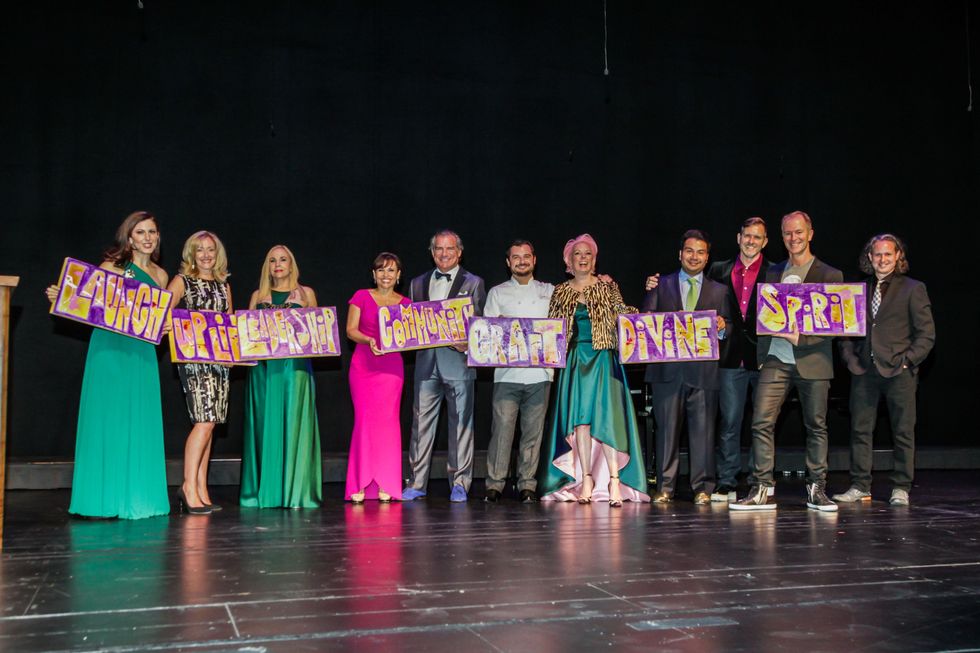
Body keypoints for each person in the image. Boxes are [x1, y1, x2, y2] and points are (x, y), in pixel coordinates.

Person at [45, 211, 170, 519]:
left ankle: (138, 498)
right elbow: (90, 304)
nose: (147, 238)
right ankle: (103, 499)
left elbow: (156, 319)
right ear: (130, 238)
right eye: (140, 232)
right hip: (111, 348)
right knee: (110, 417)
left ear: (157, 237)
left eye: (151, 232)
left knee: (138, 419)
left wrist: (164, 327)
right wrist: (64, 297)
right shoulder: (112, 267)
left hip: (141, 352)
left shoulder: (161, 276)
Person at [731, 211, 843, 512]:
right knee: (760, 422)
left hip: (814, 360)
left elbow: (835, 324)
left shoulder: (830, 274)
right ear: (781, 237)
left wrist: (800, 338)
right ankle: (762, 488)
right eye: (788, 233)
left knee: (816, 425)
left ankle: (816, 488)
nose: (794, 238)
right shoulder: (773, 272)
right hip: (776, 359)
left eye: (799, 232)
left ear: (810, 233)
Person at [538, 234, 650, 505]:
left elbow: (625, 314)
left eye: (587, 253)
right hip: (576, 360)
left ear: (594, 259)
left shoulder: (607, 287)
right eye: (577, 253)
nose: (583, 258)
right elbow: (552, 328)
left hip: (603, 359)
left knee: (607, 419)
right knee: (580, 422)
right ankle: (586, 478)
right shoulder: (560, 291)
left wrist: (645, 313)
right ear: (569, 261)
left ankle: (614, 480)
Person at [833, 234, 935, 506]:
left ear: (898, 256)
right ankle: (860, 485)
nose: (882, 259)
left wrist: (907, 361)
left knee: (903, 431)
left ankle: (901, 486)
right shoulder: (856, 290)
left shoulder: (913, 288)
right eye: (877, 254)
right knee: (860, 430)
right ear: (870, 257)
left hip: (899, 372)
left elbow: (926, 335)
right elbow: (844, 330)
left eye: (888, 254)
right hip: (864, 371)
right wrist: (850, 359)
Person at [642, 229, 730, 505]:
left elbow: (729, 328)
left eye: (700, 252)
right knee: (666, 432)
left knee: (703, 434)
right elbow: (645, 322)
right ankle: (665, 487)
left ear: (707, 257)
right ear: (680, 254)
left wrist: (722, 327)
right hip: (667, 372)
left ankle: (702, 487)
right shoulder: (660, 285)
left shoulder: (720, 290)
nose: (694, 256)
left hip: (703, 373)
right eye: (689, 251)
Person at [403, 230, 486, 502]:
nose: (444, 253)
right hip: (426, 364)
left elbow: (482, 325)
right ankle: (416, 482)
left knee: (461, 426)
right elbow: (409, 324)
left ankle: (460, 483)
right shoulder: (417, 283)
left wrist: (468, 344)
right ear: (432, 252)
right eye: (438, 248)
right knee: (420, 426)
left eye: (449, 248)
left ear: (459, 252)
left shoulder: (474, 283)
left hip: (459, 365)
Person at [240, 245, 322, 508]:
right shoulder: (257, 296)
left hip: (294, 369)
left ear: (291, 264)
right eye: (272, 260)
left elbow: (318, 335)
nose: (278, 264)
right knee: (264, 426)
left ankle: (296, 493)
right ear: (267, 266)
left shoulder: (306, 293)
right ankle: (264, 492)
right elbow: (245, 336)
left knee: (294, 424)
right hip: (262, 370)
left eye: (283, 259)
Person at [483, 240, 554, 503]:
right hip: (506, 375)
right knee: (502, 432)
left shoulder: (550, 291)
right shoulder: (497, 293)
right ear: (508, 262)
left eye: (526, 256)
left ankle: (527, 484)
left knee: (533, 433)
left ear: (534, 260)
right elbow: (487, 335)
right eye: (516, 257)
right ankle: (495, 484)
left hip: (540, 375)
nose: (521, 261)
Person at [706, 217, 771, 501]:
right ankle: (727, 481)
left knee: (762, 423)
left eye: (757, 237)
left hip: (765, 357)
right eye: (747, 235)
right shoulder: (718, 270)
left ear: (765, 242)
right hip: (730, 357)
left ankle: (760, 480)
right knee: (730, 421)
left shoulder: (775, 272)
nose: (751, 241)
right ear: (738, 237)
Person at [167, 231, 232, 515]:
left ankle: (201, 488)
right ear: (191, 254)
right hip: (193, 359)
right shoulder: (182, 281)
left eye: (211, 249)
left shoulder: (224, 285)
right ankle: (187, 487)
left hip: (220, 362)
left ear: (218, 254)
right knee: (203, 421)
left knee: (211, 423)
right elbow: (161, 311)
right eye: (200, 250)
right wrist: (170, 327)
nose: (206, 255)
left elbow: (230, 322)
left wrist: (233, 355)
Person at [345, 252, 412, 503]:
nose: (386, 275)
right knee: (363, 421)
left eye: (391, 270)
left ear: (398, 275)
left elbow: (410, 336)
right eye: (381, 270)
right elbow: (350, 330)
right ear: (374, 274)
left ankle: (386, 481)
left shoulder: (406, 303)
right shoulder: (361, 296)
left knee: (388, 423)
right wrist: (369, 340)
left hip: (391, 368)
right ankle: (360, 482)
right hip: (363, 365)